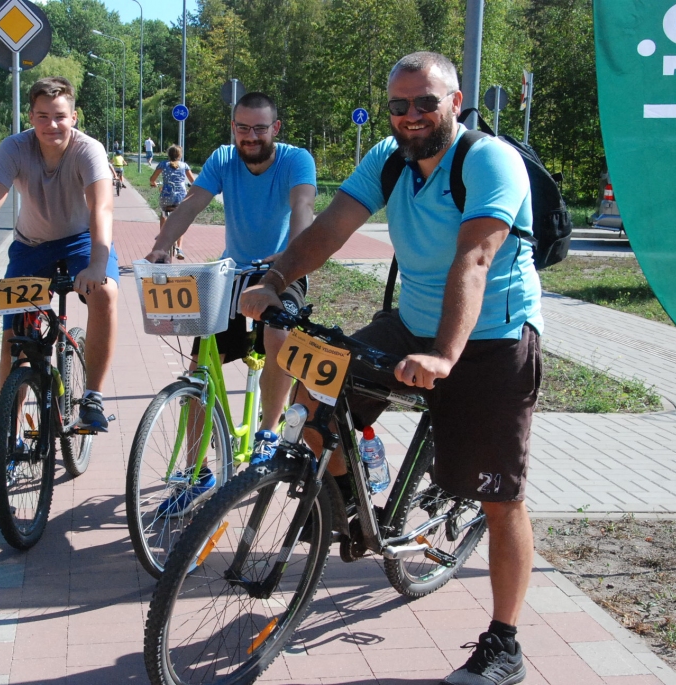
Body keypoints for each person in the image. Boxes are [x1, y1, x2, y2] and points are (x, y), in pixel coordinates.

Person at [240, 52, 541, 685]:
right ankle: (350, 506)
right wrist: (273, 279)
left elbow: (476, 259)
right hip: (411, 318)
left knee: (498, 497)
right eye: (399, 105)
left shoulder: (488, 161)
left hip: (490, 336)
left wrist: (444, 357)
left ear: (454, 102)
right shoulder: (387, 158)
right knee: (318, 397)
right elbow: (331, 228)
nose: (410, 116)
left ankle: (505, 643)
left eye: (425, 103)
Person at [145, 91, 316, 513]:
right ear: (234, 128)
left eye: (260, 128)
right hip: (234, 272)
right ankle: (197, 470)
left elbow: (304, 208)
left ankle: (269, 434)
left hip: (283, 267)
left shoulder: (296, 161)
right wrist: (162, 245)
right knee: (199, 366)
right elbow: (191, 205)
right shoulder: (224, 158)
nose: (251, 137)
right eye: (243, 128)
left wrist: (289, 260)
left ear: (275, 128)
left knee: (278, 333)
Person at [0, 76, 118, 433]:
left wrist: (97, 266)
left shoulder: (88, 149)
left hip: (82, 239)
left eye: (59, 116)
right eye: (42, 116)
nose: (52, 125)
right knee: (14, 342)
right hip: (31, 246)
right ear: (31, 117)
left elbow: (101, 208)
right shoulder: (14, 148)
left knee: (104, 291)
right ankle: (7, 437)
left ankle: (92, 397)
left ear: (74, 117)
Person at [148, 145, 195, 259]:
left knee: (164, 213)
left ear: (168, 155)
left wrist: (154, 183)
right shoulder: (185, 166)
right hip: (181, 197)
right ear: (180, 155)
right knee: (181, 220)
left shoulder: (163, 165)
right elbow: (193, 181)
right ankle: (179, 248)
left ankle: (162, 236)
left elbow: (152, 179)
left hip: (166, 196)